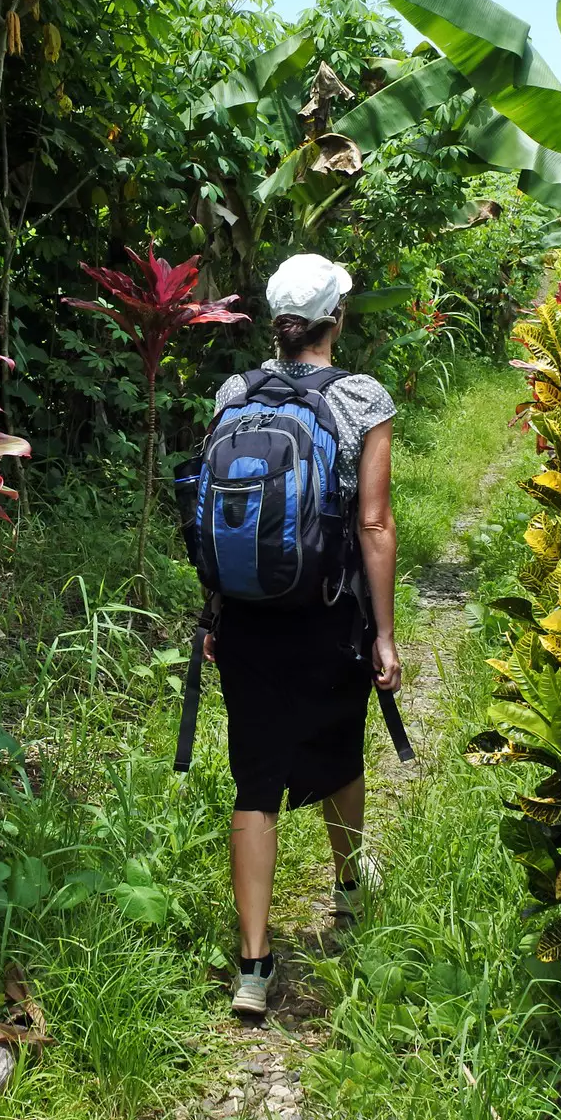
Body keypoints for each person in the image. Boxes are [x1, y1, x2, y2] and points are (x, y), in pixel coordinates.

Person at [204, 253, 401, 1020]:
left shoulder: (233, 392)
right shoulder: (362, 397)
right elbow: (374, 523)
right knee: (338, 748)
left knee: (254, 780)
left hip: (247, 613)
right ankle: (347, 894)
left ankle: (253, 967)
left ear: (275, 323)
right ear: (335, 319)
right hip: (331, 610)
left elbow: (221, 513)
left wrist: (215, 611)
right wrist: (384, 633)